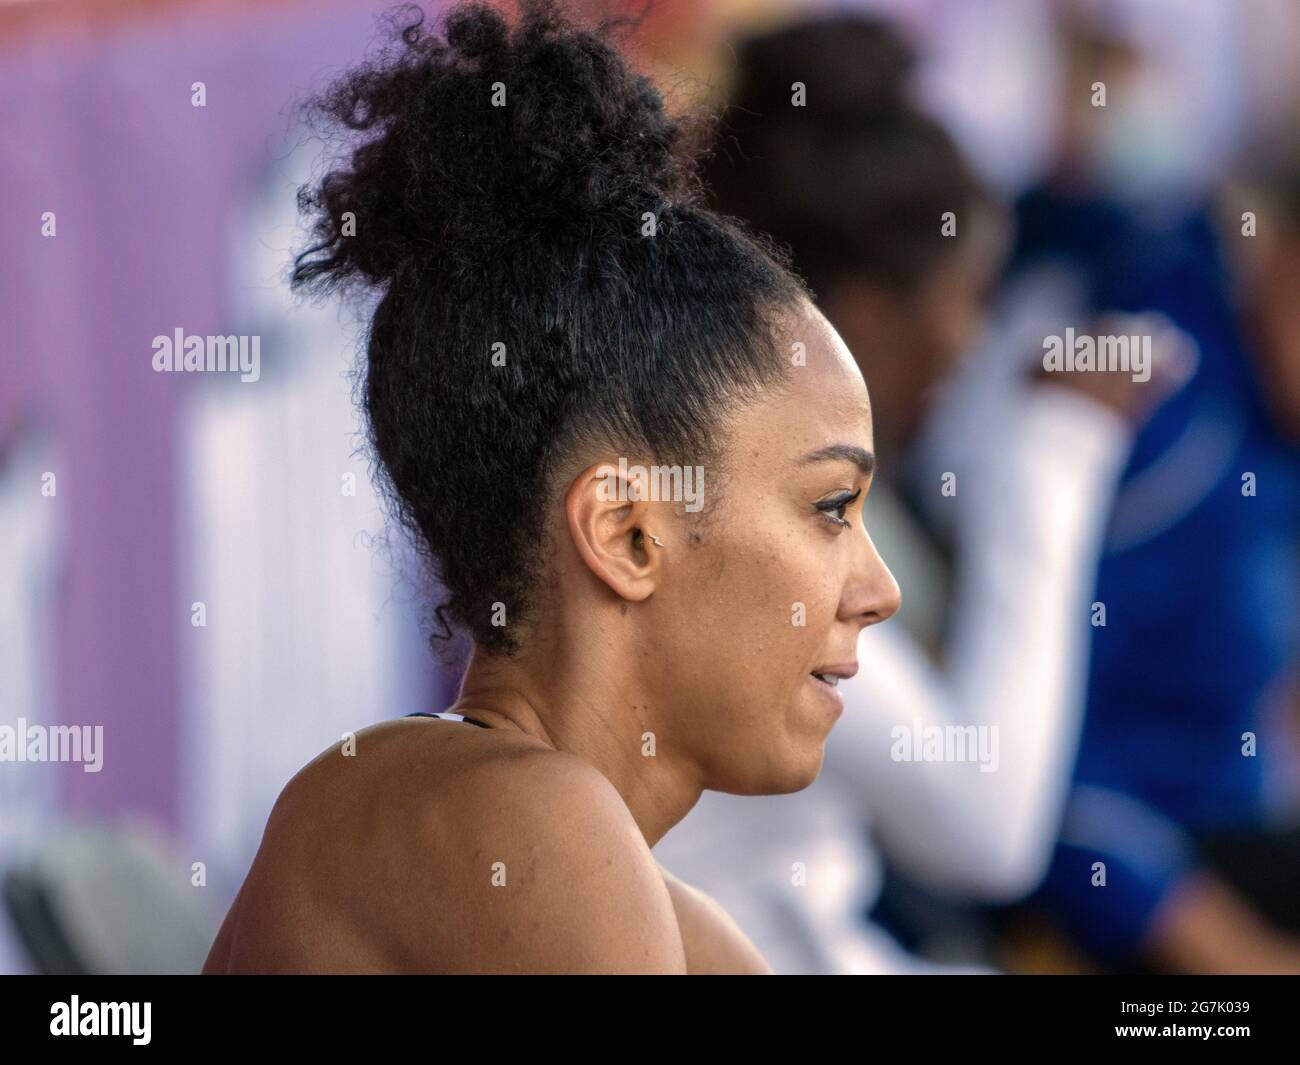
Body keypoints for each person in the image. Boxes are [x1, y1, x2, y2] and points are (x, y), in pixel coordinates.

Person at [201, 0, 900, 975]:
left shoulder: (662, 915)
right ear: (625, 535)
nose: (879, 589)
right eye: (831, 508)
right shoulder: (524, 819)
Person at [651, 13, 1167, 973]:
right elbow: (989, 832)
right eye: (966, 296)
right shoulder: (734, 508)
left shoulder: (776, 467)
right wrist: (1054, 454)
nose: (972, 344)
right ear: (861, 315)